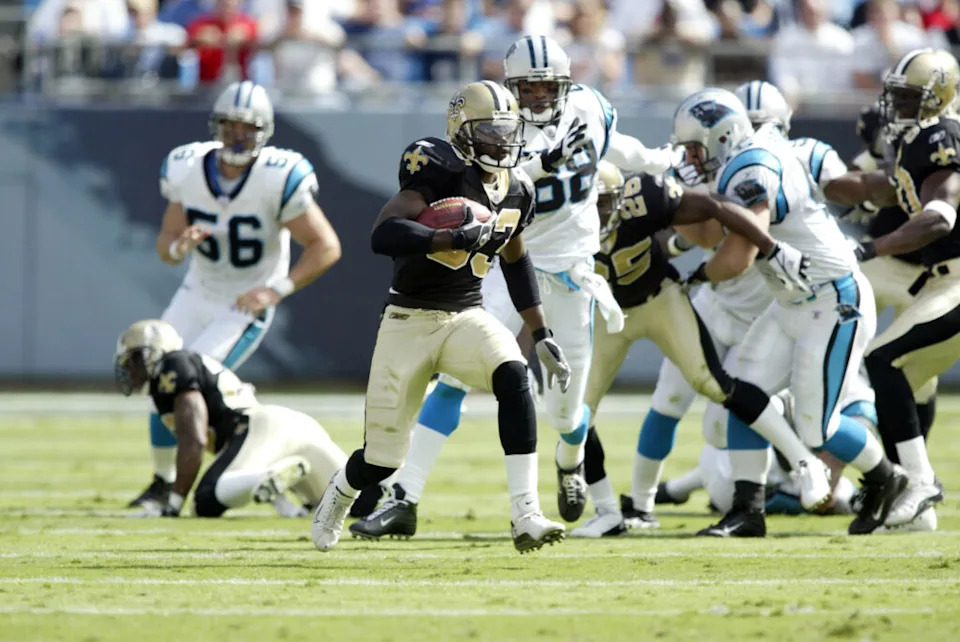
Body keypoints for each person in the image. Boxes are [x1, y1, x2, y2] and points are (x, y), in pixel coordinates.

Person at [346, 36, 690, 541]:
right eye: (526, 89)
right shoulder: (499, 128)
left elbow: (617, 145)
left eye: (546, 88)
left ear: (565, 84)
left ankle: (569, 461)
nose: (536, 99)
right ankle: (405, 498)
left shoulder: (590, 107)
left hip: (571, 269)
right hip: (509, 264)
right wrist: (545, 164)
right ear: (511, 88)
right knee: (455, 382)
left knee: (568, 409)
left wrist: (658, 162)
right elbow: (503, 181)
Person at [310, 81, 572, 554]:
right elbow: (384, 233)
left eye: (508, 131)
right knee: (382, 459)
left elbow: (515, 258)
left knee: (514, 376)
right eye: (490, 132)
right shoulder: (439, 170)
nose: (502, 141)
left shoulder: (519, 189)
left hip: (465, 314)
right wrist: (446, 239)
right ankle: (339, 494)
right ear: (463, 132)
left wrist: (542, 332)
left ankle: (525, 512)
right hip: (407, 321)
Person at [672, 88, 907, 537]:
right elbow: (706, 234)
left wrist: (695, 279)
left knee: (816, 428)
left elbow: (738, 256)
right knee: (743, 396)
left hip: (833, 301)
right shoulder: (738, 163)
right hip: (791, 302)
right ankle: (748, 510)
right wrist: (678, 198)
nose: (690, 155)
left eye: (695, 146)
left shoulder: (753, 166)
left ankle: (887, 478)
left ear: (721, 138)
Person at [567, 160, 830, 537]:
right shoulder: (557, 223)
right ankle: (612, 511)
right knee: (578, 411)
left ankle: (805, 461)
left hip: (661, 300)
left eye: (605, 204)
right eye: (590, 206)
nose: (599, 214)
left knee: (712, 383)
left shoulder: (644, 196)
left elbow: (713, 207)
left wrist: (769, 247)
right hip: (608, 313)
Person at [129, 80, 342, 510]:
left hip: (242, 303)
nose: (237, 135)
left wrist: (276, 290)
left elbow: (326, 245)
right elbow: (167, 243)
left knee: (197, 389)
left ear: (263, 131)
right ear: (216, 126)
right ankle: (162, 481)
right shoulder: (187, 167)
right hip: (197, 292)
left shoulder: (278, 175)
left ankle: (265, 476)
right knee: (160, 377)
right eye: (229, 125)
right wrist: (179, 247)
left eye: (247, 127)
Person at [827, 49, 960, 531]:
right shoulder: (915, 140)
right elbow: (881, 186)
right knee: (895, 374)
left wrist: (871, 248)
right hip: (940, 280)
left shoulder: (940, 136)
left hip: (956, 277)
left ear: (935, 99)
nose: (897, 104)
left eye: (907, 97)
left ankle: (919, 482)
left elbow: (938, 219)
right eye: (897, 95)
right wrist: (819, 182)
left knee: (885, 359)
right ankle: (915, 501)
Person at [115, 319, 348, 518]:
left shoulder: (173, 365)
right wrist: (282, 505)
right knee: (352, 502)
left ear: (154, 352)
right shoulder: (174, 375)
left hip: (258, 427)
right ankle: (285, 492)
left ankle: (274, 473)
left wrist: (173, 505)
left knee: (205, 499)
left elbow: (194, 440)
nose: (130, 369)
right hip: (288, 428)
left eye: (134, 360)